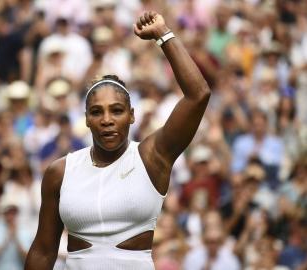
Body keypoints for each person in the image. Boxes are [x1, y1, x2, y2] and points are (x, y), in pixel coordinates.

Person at [25, 11, 211, 270]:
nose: (107, 119)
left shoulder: (152, 157)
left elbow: (198, 95)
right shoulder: (60, 172)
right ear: (87, 119)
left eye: (117, 110)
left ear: (132, 116)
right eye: (97, 112)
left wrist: (163, 35)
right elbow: (43, 251)